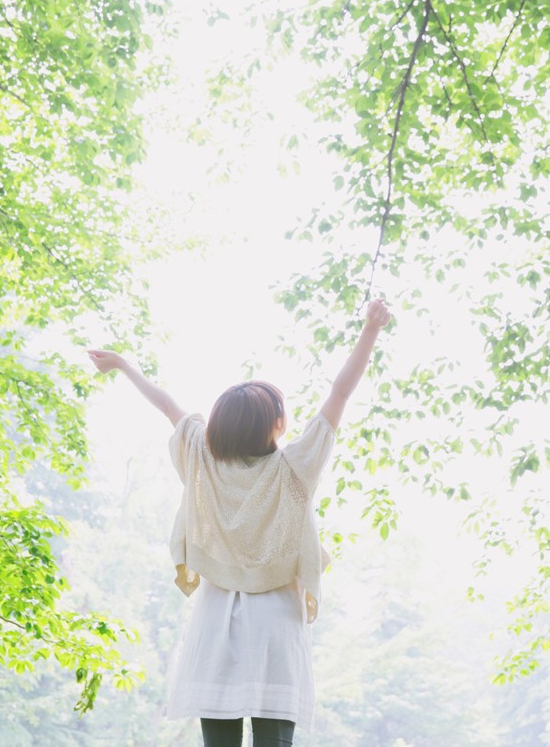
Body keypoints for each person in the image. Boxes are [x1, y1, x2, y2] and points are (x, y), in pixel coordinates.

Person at [87, 299, 392, 747]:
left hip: (215, 618)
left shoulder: (201, 459)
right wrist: (370, 328)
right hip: (275, 622)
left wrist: (122, 366)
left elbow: (166, 404)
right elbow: (340, 394)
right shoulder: (294, 469)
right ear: (277, 423)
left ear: (219, 426)